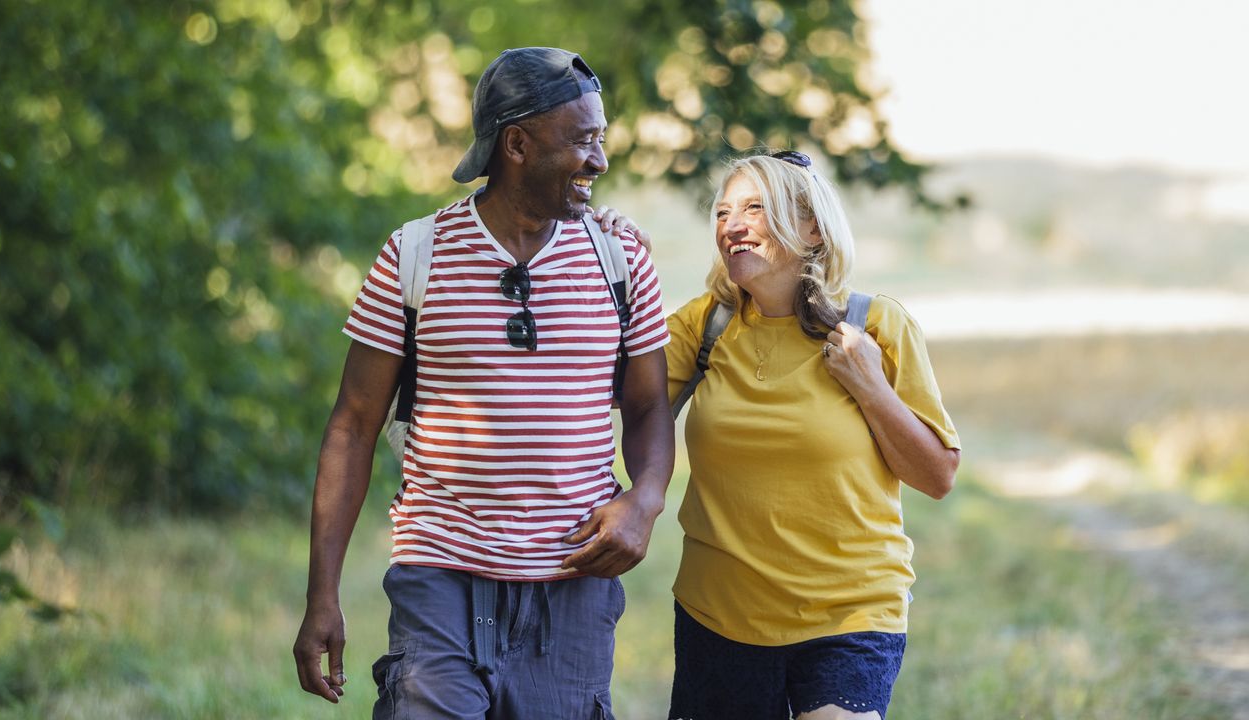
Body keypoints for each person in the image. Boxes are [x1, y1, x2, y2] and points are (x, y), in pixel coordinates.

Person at [291, 47, 674, 719]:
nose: (600, 161)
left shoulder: (622, 261)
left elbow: (648, 409)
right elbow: (351, 427)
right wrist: (322, 596)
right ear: (517, 144)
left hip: (574, 585)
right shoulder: (414, 256)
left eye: (601, 139)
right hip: (441, 577)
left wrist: (644, 501)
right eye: (582, 141)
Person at [663, 152, 961, 720]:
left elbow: (937, 476)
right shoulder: (703, 325)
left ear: (812, 229)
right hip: (718, 614)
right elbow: (599, 387)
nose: (732, 225)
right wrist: (593, 251)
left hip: (849, 611)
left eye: (755, 208)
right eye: (723, 213)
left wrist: (870, 385)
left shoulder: (876, 325)